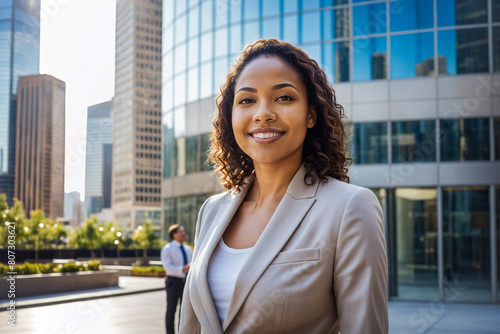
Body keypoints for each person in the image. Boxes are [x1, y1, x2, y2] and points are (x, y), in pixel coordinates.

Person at [179, 39, 388, 334]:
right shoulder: (212, 210)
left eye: (284, 98)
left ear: (311, 114)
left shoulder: (350, 208)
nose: (263, 113)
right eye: (247, 100)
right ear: (231, 116)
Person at [161, 224, 193, 334]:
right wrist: (182, 269)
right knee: (171, 310)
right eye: (181, 231)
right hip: (173, 282)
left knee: (184, 312)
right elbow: (167, 267)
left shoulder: (188, 249)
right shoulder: (167, 249)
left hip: (186, 283)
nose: (183, 234)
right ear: (174, 234)